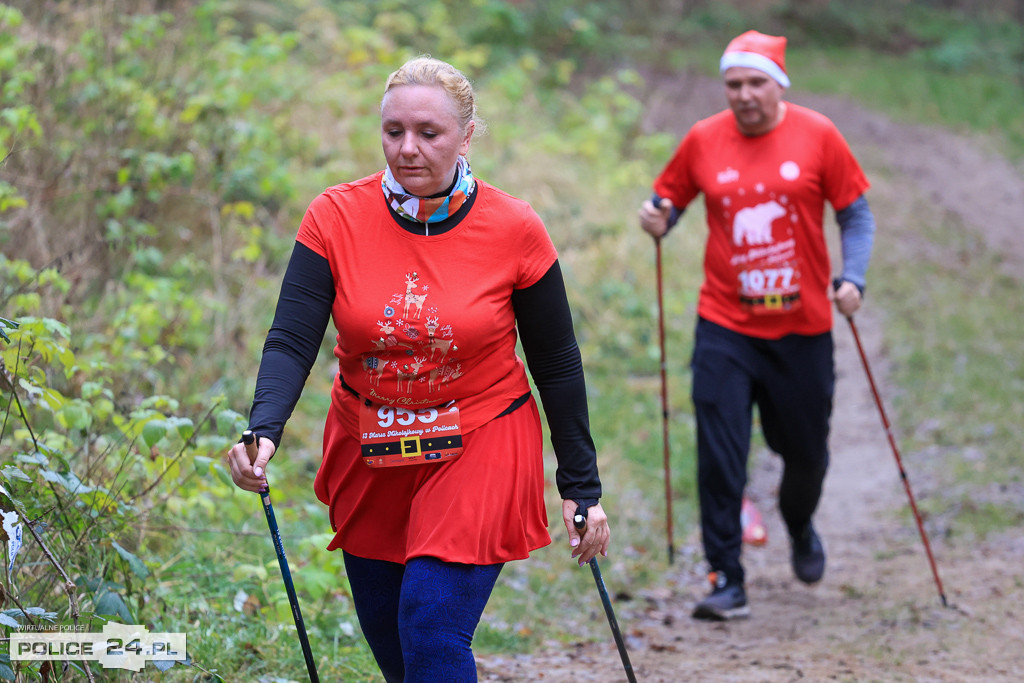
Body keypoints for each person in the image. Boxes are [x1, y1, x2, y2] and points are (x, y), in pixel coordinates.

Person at [226, 56, 611, 680]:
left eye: (428, 133)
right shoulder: (334, 217)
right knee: (397, 652)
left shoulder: (514, 227)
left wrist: (581, 486)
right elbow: (293, 338)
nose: (407, 149)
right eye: (393, 131)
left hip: (480, 436)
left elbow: (557, 363)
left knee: (431, 629)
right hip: (371, 443)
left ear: (466, 135)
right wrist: (263, 428)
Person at [638, 30, 876, 621]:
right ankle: (726, 577)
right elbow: (667, 201)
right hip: (726, 324)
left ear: (778, 85)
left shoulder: (818, 135)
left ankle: (798, 522)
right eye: (733, 84)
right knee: (720, 454)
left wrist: (854, 278)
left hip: (802, 330)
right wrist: (656, 217)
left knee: (806, 455)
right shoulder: (703, 139)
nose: (744, 95)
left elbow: (855, 213)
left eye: (755, 83)